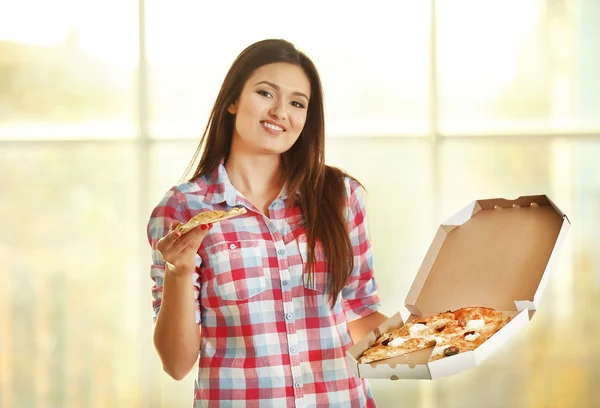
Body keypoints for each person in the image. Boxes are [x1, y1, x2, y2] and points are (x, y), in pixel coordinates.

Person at [147, 38, 388, 408]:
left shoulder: (340, 197)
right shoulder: (184, 209)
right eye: (265, 93)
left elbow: (357, 312)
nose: (280, 112)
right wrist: (178, 271)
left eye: (296, 103)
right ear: (232, 101)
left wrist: (440, 334)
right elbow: (177, 364)